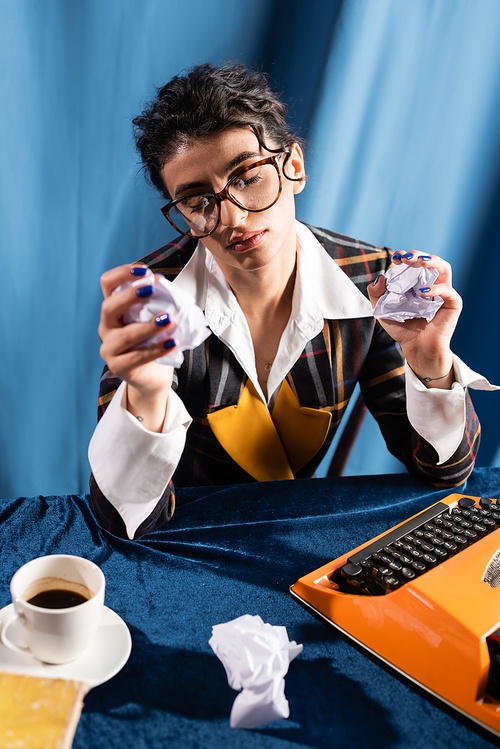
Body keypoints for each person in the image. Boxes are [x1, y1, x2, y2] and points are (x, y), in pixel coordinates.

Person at [88, 62, 490, 541]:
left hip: (304, 538)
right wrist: (147, 396)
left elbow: (446, 475)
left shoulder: (374, 284)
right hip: (188, 542)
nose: (233, 218)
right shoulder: (151, 304)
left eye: (247, 176)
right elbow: (125, 524)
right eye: (198, 202)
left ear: (293, 166)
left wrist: (431, 365)